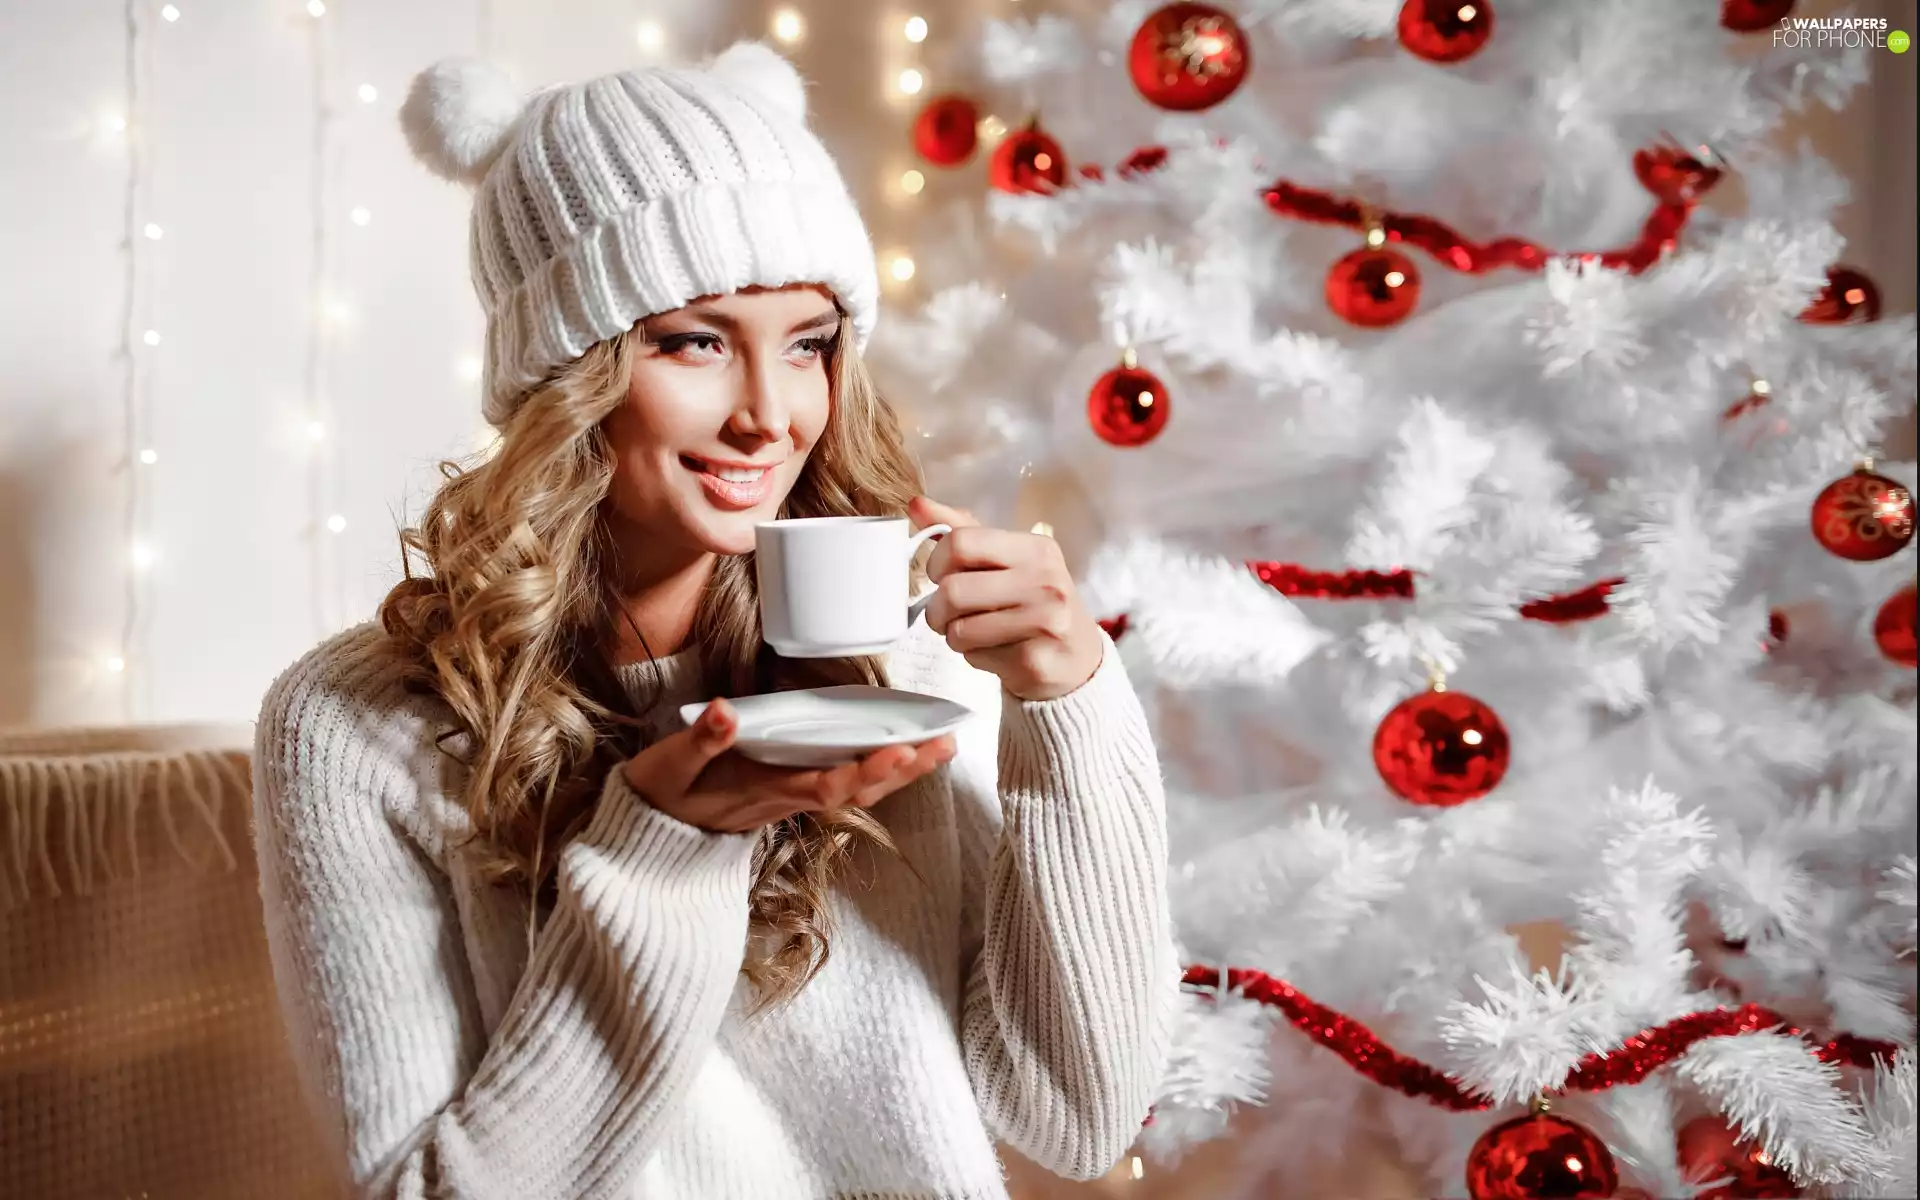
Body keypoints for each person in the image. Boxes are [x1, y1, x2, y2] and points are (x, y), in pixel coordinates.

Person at [251, 42, 1176, 1200]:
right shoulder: (354, 728)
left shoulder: (904, 657)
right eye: (693, 341)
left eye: (809, 344)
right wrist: (661, 850)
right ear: (569, 370)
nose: (770, 416)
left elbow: (1077, 1118)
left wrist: (1071, 704)